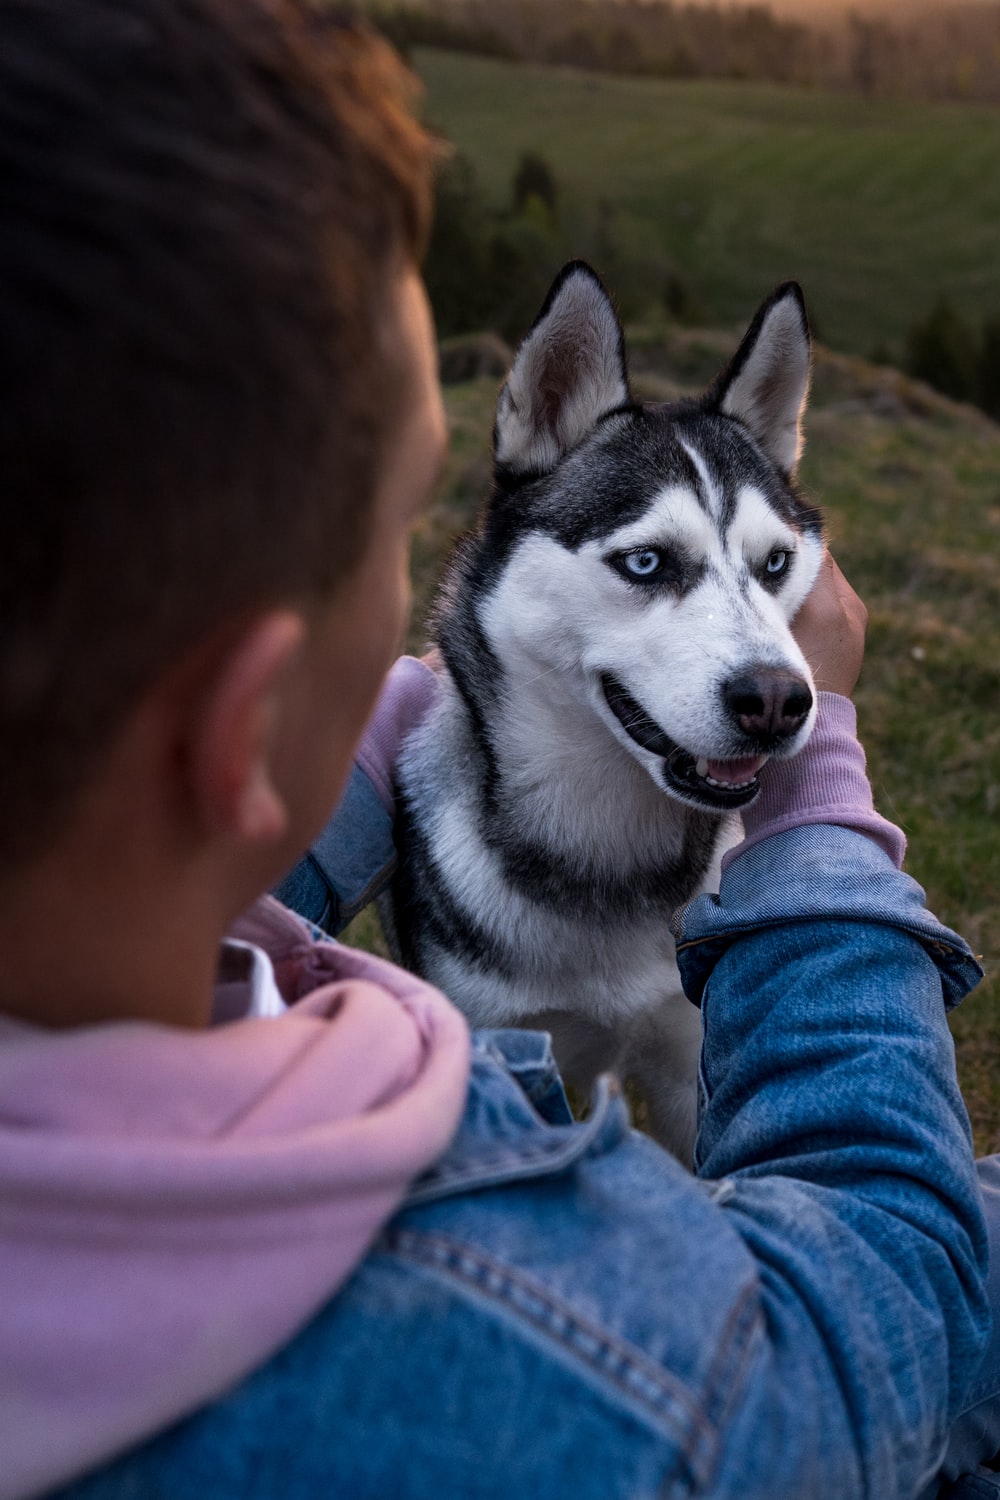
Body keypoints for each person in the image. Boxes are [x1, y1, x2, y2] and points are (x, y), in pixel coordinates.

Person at [0, 2, 997, 1497]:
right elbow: (897, 1292)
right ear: (238, 724)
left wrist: (384, 730)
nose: (442, 605)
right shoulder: (611, 1380)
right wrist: (819, 779)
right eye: (403, 526)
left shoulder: (132, 943)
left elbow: (227, 876)